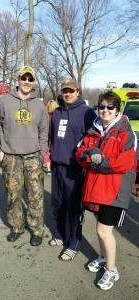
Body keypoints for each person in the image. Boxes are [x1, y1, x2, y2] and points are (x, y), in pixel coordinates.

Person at [75, 91, 137, 290]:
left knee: (104, 232)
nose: (105, 110)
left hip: (114, 192)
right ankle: (103, 257)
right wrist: (89, 155)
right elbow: (79, 151)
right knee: (99, 230)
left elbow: (124, 163)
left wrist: (98, 162)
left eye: (110, 107)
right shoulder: (94, 129)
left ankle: (111, 270)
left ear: (117, 109)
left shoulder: (126, 132)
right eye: (102, 106)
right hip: (94, 190)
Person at [0, 65, 49, 246]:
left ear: (33, 82)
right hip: (11, 157)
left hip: (33, 157)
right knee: (13, 194)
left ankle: (36, 230)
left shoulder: (39, 105)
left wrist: (42, 154)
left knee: (35, 195)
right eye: (24, 78)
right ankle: (16, 227)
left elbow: (45, 132)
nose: (27, 82)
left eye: (30, 79)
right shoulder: (4, 102)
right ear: (18, 79)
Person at [49, 78, 96, 260]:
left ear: (78, 91)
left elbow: (93, 141)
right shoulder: (57, 112)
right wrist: (49, 157)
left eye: (71, 90)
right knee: (57, 204)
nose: (67, 93)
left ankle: (74, 242)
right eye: (64, 90)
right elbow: (52, 138)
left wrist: (87, 165)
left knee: (73, 207)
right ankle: (61, 235)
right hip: (57, 166)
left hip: (75, 169)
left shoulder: (87, 113)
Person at [43, 100, 59, 175]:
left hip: (46, 137)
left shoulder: (45, 115)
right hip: (55, 137)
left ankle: (48, 169)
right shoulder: (58, 115)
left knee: (47, 152)